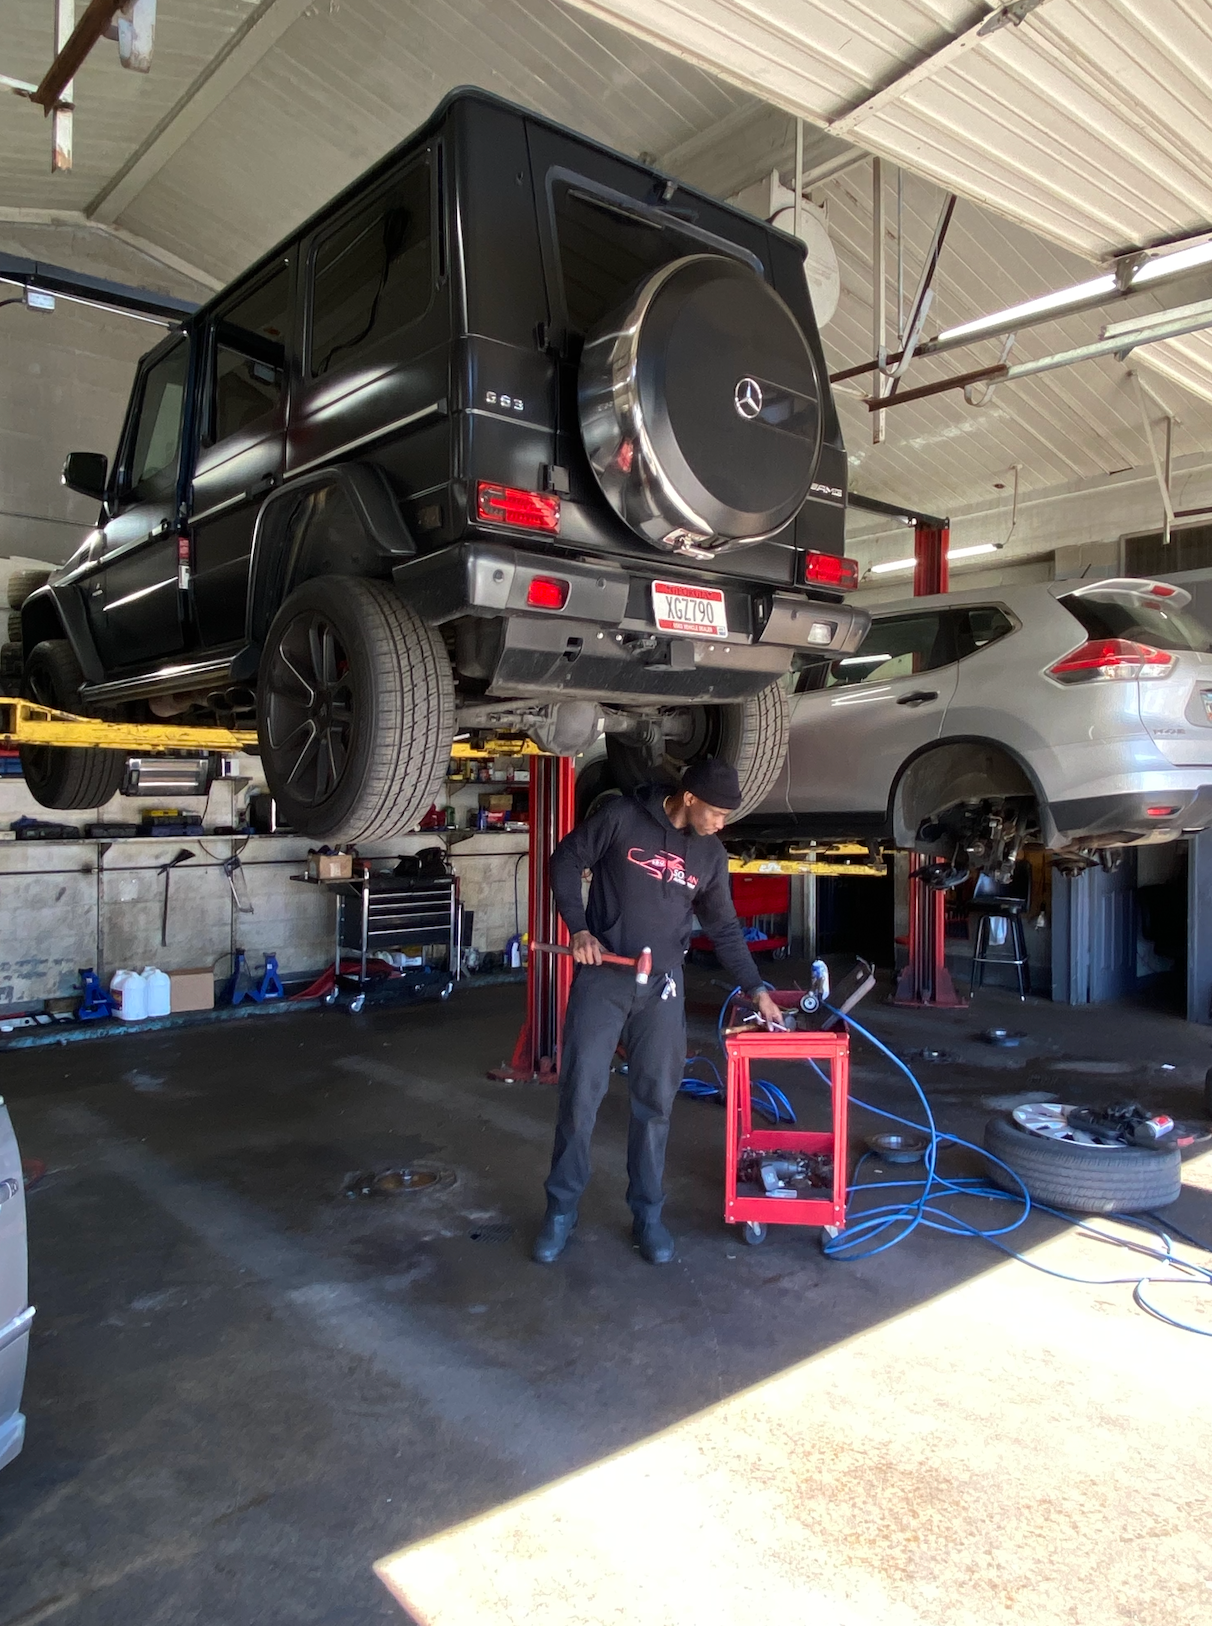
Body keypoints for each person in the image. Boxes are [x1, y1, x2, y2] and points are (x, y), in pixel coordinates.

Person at [533, 757, 783, 1266]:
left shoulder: (711, 855)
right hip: (604, 978)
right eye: (715, 811)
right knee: (580, 1097)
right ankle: (560, 1212)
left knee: (655, 1106)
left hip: (663, 989)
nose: (721, 823)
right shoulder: (622, 817)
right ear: (688, 798)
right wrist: (578, 928)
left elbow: (726, 929)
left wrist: (756, 988)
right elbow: (564, 859)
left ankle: (647, 1214)